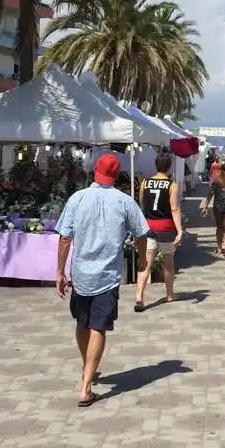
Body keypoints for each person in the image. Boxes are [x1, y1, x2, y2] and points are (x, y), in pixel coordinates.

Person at [56, 153, 149, 408]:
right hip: (107, 276)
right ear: (117, 175)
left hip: (81, 274)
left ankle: (87, 368)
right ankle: (86, 386)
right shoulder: (124, 201)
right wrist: (142, 258)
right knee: (99, 326)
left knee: (82, 322)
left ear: (94, 172)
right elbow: (142, 232)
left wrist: (59, 273)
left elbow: (64, 237)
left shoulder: (78, 198)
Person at [135, 151, 183, 310]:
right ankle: (170, 294)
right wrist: (179, 229)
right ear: (169, 167)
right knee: (168, 264)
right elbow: (174, 209)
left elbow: (142, 203)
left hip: (148, 226)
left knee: (145, 263)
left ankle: (139, 296)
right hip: (166, 228)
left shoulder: (145, 183)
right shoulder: (172, 184)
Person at [201, 161, 225, 256]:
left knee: (219, 227)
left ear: (221, 170)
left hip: (218, 207)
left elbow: (210, 194)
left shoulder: (216, 180)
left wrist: (205, 206)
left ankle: (220, 248)